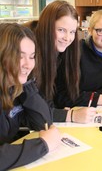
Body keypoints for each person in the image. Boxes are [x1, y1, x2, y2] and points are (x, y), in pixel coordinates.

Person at [0, 23, 61, 170]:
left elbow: (44, 122)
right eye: (20, 57)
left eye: (32, 57)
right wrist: (42, 145)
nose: (28, 64)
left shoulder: (14, 88)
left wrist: (26, 84)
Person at [32, 0, 97, 123]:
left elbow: (50, 98)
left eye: (72, 32)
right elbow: (32, 110)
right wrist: (69, 116)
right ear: (47, 27)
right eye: (61, 30)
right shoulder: (30, 57)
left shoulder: (61, 54)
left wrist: (59, 111)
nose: (67, 38)